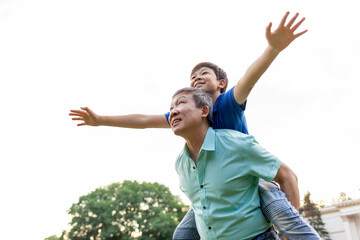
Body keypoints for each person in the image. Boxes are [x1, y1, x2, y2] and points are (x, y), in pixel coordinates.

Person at [70, 12, 318, 239]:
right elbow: (144, 120)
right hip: (218, 185)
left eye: (204, 74)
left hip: (249, 176)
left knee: (287, 220)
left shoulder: (227, 103)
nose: (197, 77)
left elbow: (249, 79)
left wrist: (272, 49)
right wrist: (101, 120)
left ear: (221, 83)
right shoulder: (189, 115)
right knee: (183, 235)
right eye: (193, 76)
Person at [169, 87, 318, 240]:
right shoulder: (180, 164)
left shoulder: (237, 145)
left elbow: (287, 176)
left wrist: (288, 234)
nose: (173, 112)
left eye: (180, 103)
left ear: (204, 111)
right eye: (171, 108)